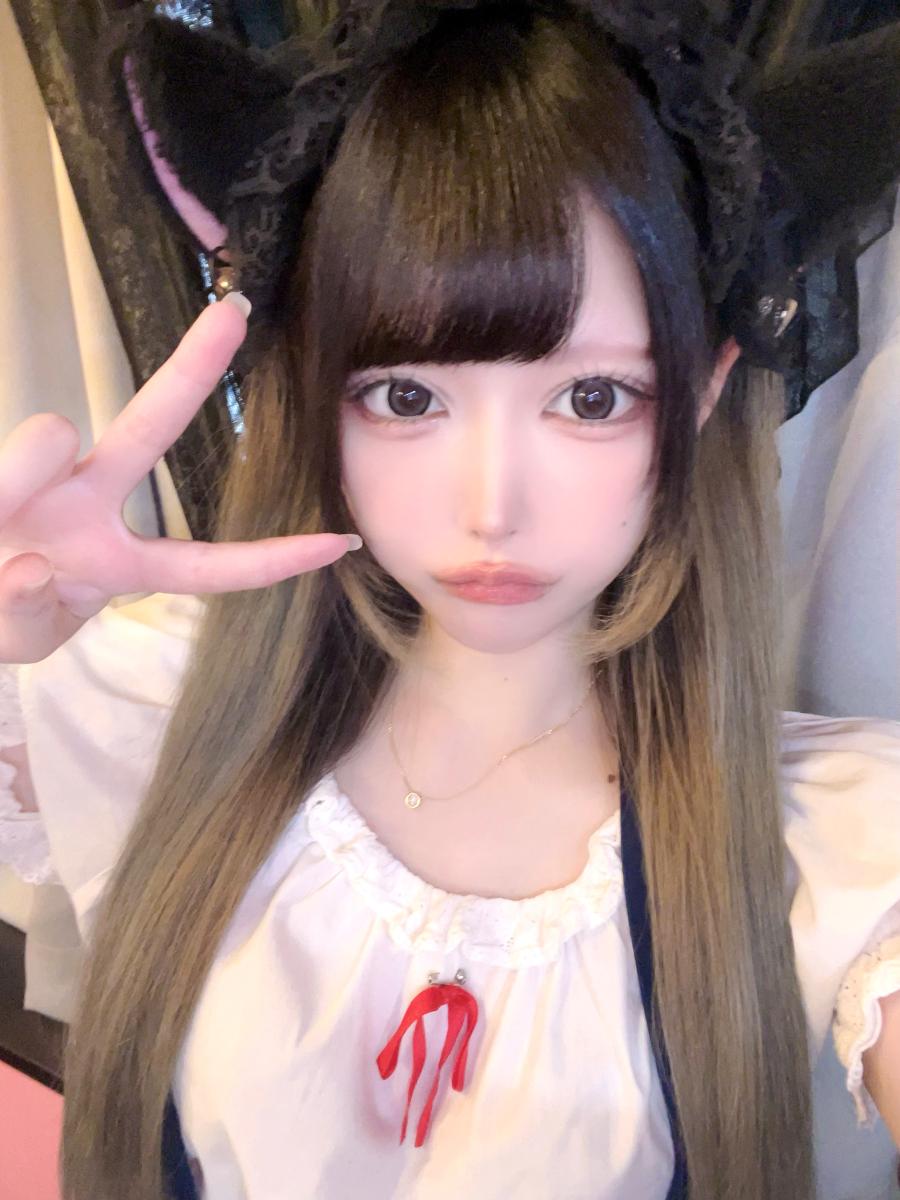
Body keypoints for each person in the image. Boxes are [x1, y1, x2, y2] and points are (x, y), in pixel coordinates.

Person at [1, 4, 899, 1198]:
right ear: (316, 391)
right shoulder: (159, 702)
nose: (492, 509)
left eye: (591, 400)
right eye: (406, 398)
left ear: (701, 389)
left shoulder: (825, 841)